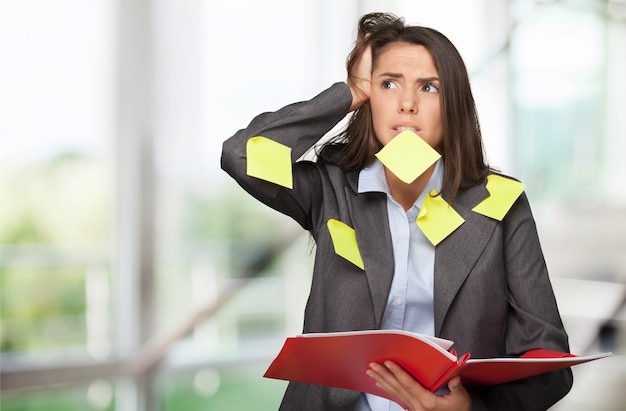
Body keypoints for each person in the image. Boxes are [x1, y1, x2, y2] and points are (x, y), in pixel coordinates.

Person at [221, 12, 573, 411]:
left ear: (452, 105)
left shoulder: (502, 204)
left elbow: (551, 366)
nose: (407, 103)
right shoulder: (333, 188)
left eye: (429, 87)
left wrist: (473, 410)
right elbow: (241, 154)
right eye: (388, 84)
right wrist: (348, 92)